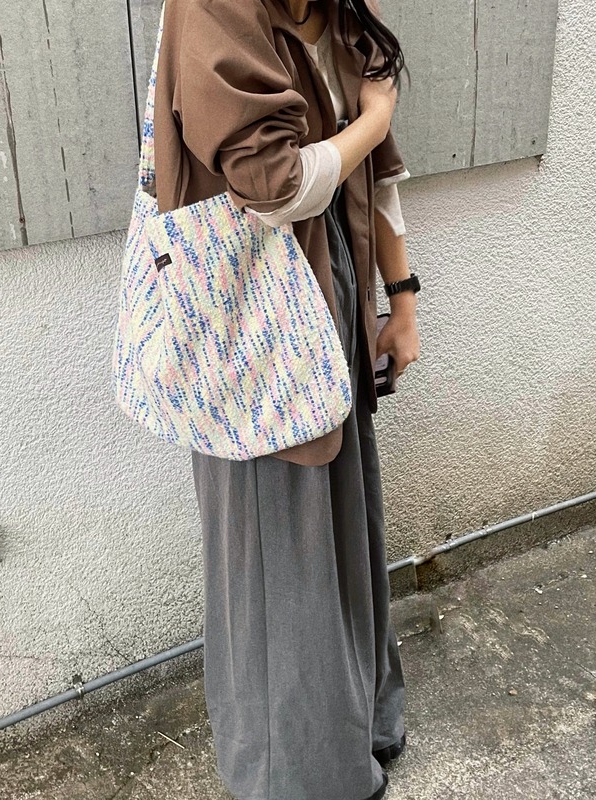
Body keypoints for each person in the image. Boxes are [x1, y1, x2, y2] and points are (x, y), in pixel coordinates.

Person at [153, 0, 421, 798]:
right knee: (277, 554)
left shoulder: (341, 10)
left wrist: (402, 299)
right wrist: (375, 117)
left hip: (329, 287)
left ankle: (358, 724)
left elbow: (376, 171)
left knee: (342, 526)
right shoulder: (212, 8)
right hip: (250, 315)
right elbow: (274, 187)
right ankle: (297, 776)